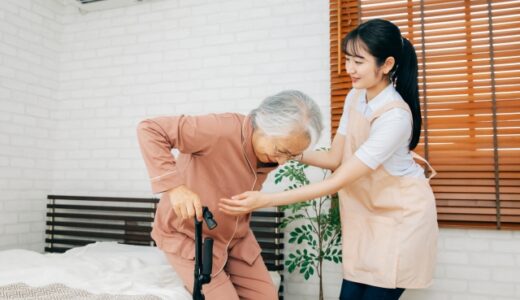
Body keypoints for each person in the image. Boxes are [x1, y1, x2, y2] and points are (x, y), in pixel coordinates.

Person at [219, 19, 438, 300]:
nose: (349, 69)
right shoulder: (355, 96)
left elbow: (338, 180)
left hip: (400, 220)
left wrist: (265, 200)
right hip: (366, 215)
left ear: (386, 64)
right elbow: (336, 158)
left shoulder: (395, 117)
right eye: (348, 59)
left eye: (358, 61)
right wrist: (287, 151)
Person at [136, 90, 323, 300]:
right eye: (280, 151)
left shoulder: (279, 149)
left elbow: (335, 162)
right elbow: (150, 129)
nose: (281, 162)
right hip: (189, 236)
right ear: (263, 125)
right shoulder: (220, 130)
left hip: (235, 237)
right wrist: (175, 188)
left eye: (291, 156)